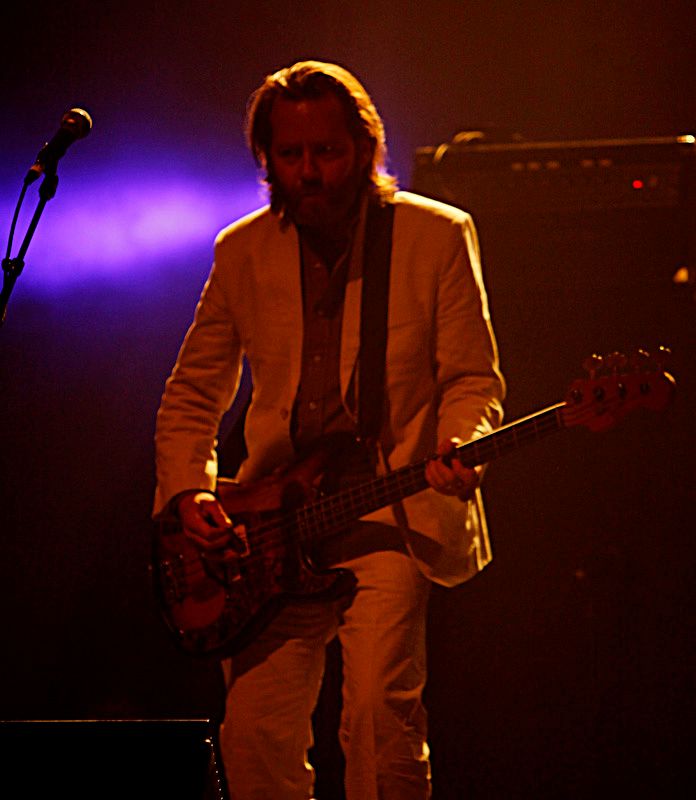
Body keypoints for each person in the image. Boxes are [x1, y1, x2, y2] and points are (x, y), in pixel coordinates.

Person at [153, 60, 505, 800]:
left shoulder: (437, 235)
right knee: (254, 737)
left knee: (379, 719)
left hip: (390, 511)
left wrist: (462, 441)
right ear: (267, 158)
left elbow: (473, 378)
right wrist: (188, 493)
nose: (309, 172)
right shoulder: (241, 251)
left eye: (328, 152)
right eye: (291, 154)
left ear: (365, 149)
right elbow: (193, 393)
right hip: (272, 526)